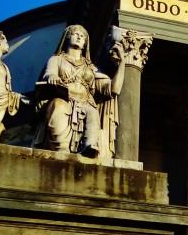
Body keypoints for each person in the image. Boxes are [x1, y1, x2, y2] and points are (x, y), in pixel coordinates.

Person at [38, 24, 125, 158]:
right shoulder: (56, 59)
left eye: (82, 36)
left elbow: (114, 88)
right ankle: (61, 148)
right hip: (64, 98)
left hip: (85, 102)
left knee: (93, 113)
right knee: (58, 106)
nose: (79, 37)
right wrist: (52, 76)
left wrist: (122, 63)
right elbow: (48, 73)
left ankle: (89, 145)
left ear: (85, 44)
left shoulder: (91, 68)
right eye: (75, 34)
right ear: (67, 38)